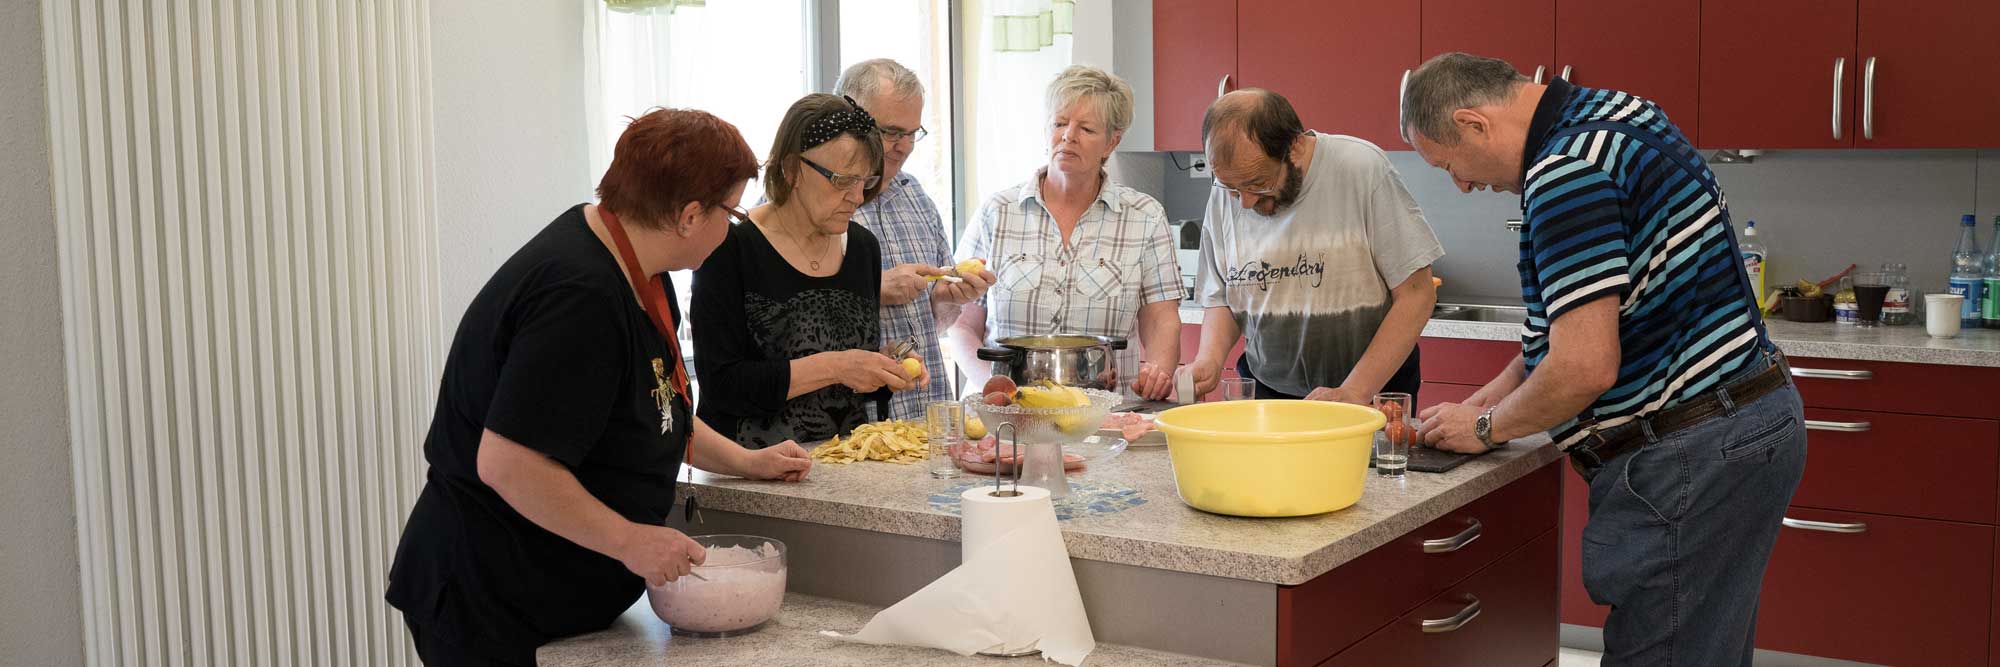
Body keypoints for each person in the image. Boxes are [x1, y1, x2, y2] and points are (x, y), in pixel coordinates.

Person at [1404, 52, 1806, 665]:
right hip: (1744, 422)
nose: (1461, 184)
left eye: (1449, 164)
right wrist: (1498, 390)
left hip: (1688, 454)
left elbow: (1587, 365)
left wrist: (1486, 428)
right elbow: (1604, 314)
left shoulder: (1565, 172)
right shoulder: (1620, 115)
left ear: (1475, 123)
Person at [385, 108, 814, 666]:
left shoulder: (641, 265)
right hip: (490, 596)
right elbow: (508, 462)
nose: (729, 230)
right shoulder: (580, 297)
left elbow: (660, 405)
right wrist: (630, 541)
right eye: (729, 214)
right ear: (688, 215)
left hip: (556, 596)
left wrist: (745, 461)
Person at [693, 93, 927, 448]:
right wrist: (837, 366)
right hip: (749, 475)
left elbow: (848, 367)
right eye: (841, 180)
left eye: (864, 182)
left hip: (842, 467)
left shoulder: (863, 247)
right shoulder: (729, 249)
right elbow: (722, 384)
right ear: (790, 169)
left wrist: (882, 365)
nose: (856, 197)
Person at [1184, 89, 1443, 404]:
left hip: (1370, 390)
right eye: (1233, 189)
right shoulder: (1229, 192)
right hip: (1270, 391)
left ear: (1295, 146)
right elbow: (1223, 296)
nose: (1246, 202)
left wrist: (1355, 390)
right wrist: (1209, 358)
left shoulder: (1362, 169)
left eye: (1258, 185)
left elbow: (1417, 294)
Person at [946, 65, 1180, 399]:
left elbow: (1161, 321)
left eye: (1086, 128)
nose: (1068, 136)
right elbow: (962, 322)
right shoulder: (996, 212)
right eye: (1059, 124)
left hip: (1106, 415)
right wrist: (991, 385)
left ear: (1112, 141)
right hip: (1004, 413)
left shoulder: (1145, 216)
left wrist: (1158, 370)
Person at [833, 58, 996, 420]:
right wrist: (872, 288)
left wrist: (950, 300)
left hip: (926, 416)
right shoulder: (808, 201)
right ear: (848, 115)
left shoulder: (916, 196)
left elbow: (932, 322)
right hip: (851, 426)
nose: (904, 146)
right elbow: (784, 321)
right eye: (891, 132)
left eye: (913, 133)